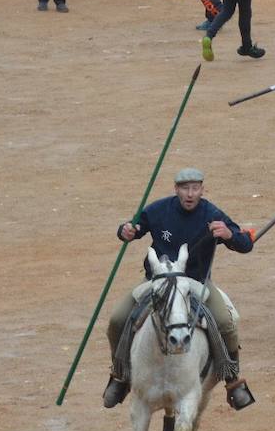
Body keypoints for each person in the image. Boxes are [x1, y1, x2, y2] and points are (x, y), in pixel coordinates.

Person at [103, 168, 255, 412]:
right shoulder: (159, 210)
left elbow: (245, 243)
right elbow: (134, 227)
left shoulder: (212, 213)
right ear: (176, 190)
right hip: (157, 281)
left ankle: (233, 380)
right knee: (117, 319)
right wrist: (125, 231)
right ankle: (120, 376)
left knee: (225, 323)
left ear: (202, 190)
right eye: (185, 188)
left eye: (195, 188)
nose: (190, 194)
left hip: (195, 283)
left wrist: (229, 235)